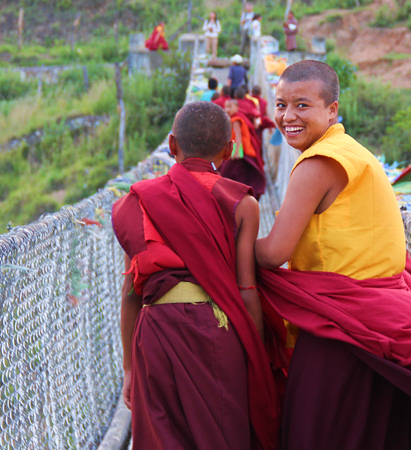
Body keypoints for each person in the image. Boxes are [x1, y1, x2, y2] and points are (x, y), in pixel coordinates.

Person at [255, 60, 411, 449]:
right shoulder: (351, 151)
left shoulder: (317, 164)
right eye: (280, 105)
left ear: (332, 110)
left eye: (302, 105)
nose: (288, 116)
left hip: (341, 324)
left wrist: (225, 237)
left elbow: (274, 252)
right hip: (379, 313)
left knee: (319, 434)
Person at [112, 101, 280, 450]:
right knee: (222, 435)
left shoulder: (140, 200)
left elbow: (131, 292)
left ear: (172, 145)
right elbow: (247, 289)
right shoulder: (242, 203)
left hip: (156, 329)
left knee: (162, 437)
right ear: (229, 150)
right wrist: (257, 354)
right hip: (218, 330)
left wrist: (128, 368)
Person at [221, 99, 266, 200]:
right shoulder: (232, 119)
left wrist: (236, 151)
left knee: (234, 173)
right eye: (226, 107)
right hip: (235, 151)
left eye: (230, 107)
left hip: (240, 151)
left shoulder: (236, 119)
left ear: (237, 108)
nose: (228, 109)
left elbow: (238, 135)